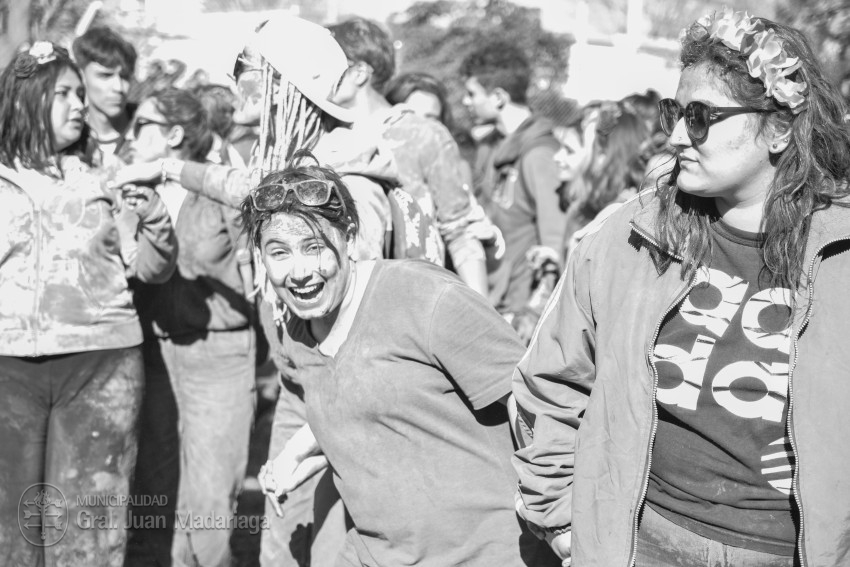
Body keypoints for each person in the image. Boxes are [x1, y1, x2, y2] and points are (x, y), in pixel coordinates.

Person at [512, 8, 850, 567]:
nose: (674, 137)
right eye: (674, 112)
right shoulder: (630, 235)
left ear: (780, 129)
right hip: (640, 543)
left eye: (700, 117)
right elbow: (550, 381)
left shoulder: (840, 255)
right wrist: (562, 521)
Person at [246, 157, 557, 567]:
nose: (299, 271)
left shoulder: (425, 298)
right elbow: (377, 413)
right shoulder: (299, 332)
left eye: (314, 247)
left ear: (350, 238)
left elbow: (536, 403)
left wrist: (559, 518)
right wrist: (299, 456)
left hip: (490, 554)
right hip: (378, 553)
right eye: (279, 252)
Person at [0, 42, 176, 566]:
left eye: (81, 93)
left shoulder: (111, 172)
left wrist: (155, 217)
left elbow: (152, 269)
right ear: (26, 99)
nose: (80, 104)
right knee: (9, 530)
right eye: (64, 93)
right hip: (7, 369)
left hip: (101, 367)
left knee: (89, 532)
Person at [122, 88, 257, 567]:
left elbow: (255, 279)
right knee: (155, 497)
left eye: (141, 125)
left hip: (219, 356)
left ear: (175, 134)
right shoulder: (130, 193)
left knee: (210, 507)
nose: (130, 135)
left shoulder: (218, 190)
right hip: (154, 359)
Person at [328, 17, 490, 295]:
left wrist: (483, 313)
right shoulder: (323, 137)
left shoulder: (423, 135)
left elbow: (461, 231)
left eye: (328, 63)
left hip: (416, 298)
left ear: (359, 72)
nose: (318, 75)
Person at [459, 39, 567, 322]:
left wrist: (533, 313)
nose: (466, 102)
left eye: (472, 93)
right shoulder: (492, 145)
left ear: (498, 97)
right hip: (490, 296)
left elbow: (554, 244)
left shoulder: (540, 154)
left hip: (519, 310)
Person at [384, 70, 506, 277]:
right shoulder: (377, 168)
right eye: (412, 118)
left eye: (431, 119)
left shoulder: (457, 170)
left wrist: (489, 240)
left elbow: (468, 244)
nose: (422, 128)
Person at [72, 26, 137, 168]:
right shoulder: (68, 132)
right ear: (81, 76)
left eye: (125, 77)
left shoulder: (147, 129)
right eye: (105, 76)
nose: (118, 87)